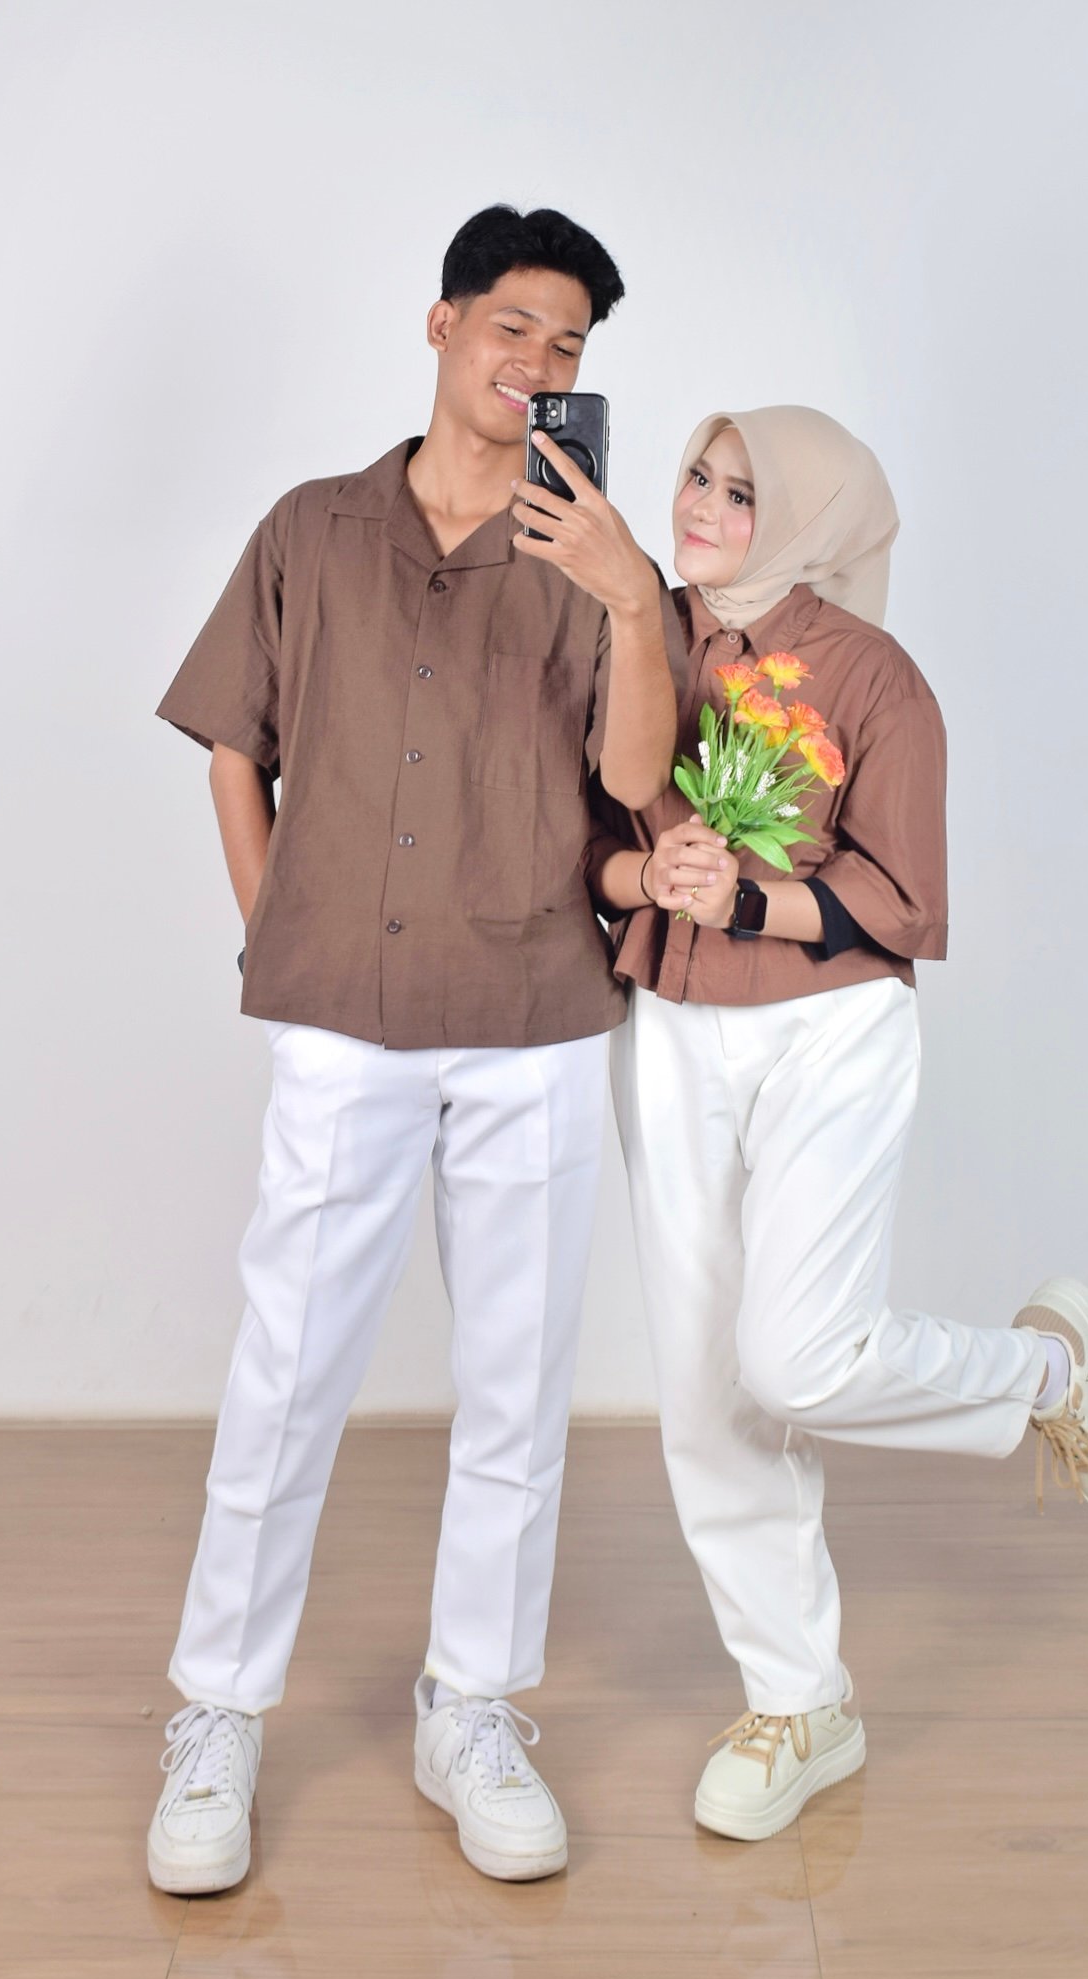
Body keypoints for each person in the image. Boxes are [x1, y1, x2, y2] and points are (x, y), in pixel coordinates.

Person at [147, 205, 678, 1893]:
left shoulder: (593, 556)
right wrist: (279, 933)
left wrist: (633, 597)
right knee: (286, 1371)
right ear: (442, 325)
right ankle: (218, 1713)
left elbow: (642, 784)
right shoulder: (311, 529)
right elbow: (233, 745)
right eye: (515, 327)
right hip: (346, 1021)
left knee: (518, 1382)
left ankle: (475, 1706)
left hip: (534, 1018)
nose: (539, 362)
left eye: (570, 345)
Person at [586, 406, 1088, 1842]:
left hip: (828, 1027)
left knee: (797, 1357)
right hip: (670, 1022)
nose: (702, 506)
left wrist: (750, 896)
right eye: (697, 476)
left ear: (812, 522)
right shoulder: (634, 626)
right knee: (704, 1386)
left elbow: (907, 903)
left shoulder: (876, 678)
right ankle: (801, 1702)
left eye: (742, 492)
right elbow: (580, 831)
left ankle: (1045, 1372)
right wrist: (648, 879)